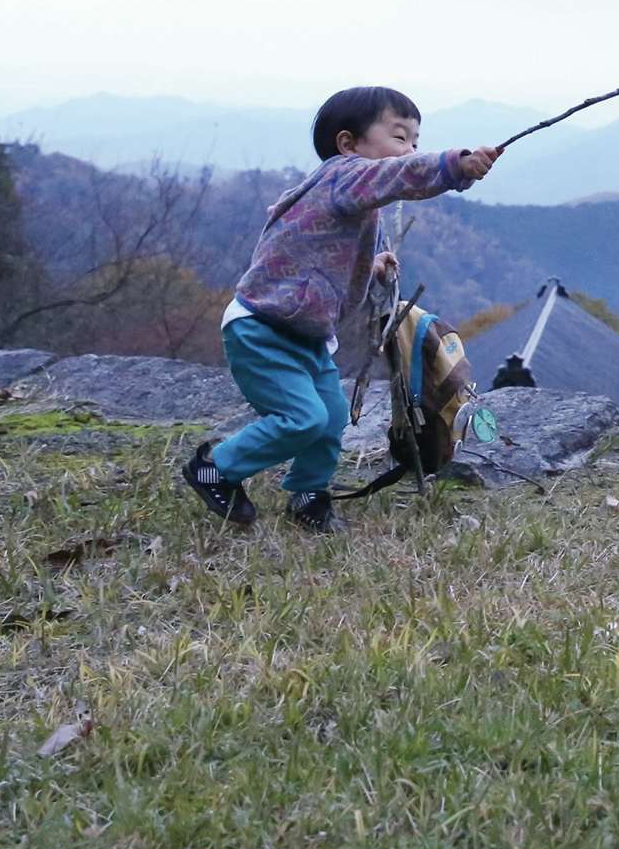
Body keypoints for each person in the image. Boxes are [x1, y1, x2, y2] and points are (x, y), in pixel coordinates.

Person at [182, 86, 499, 532]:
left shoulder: (345, 199)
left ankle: (309, 494)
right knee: (303, 419)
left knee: (329, 419)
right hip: (262, 329)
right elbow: (399, 176)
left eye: (416, 141)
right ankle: (215, 468)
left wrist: (370, 266)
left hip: (305, 336)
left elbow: (316, 255)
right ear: (348, 144)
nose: (409, 150)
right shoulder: (343, 176)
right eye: (399, 137)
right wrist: (454, 164)